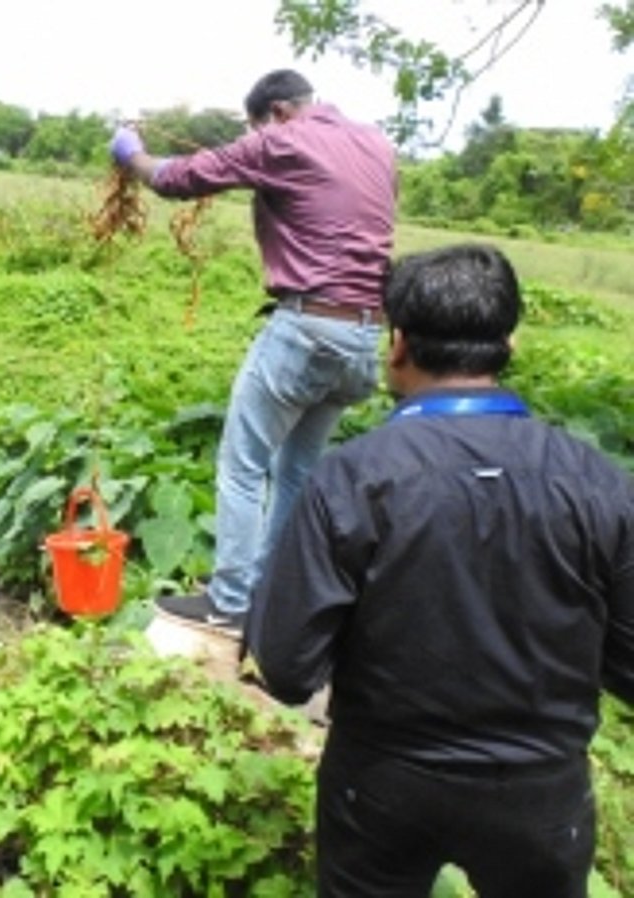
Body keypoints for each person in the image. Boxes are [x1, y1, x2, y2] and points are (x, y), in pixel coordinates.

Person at [246, 243, 634, 898]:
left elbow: (284, 665)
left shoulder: (353, 477)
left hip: (381, 784)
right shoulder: (597, 482)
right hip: (541, 792)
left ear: (397, 344)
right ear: (508, 341)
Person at [109, 69, 396, 634]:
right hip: (366, 334)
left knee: (242, 466)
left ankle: (231, 602)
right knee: (297, 470)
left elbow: (177, 178)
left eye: (255, 124)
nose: (256, 134)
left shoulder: (283, 139)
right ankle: (270, 592)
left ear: (278, 112)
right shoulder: (377, 143)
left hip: (308, 326)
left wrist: (131, 153)